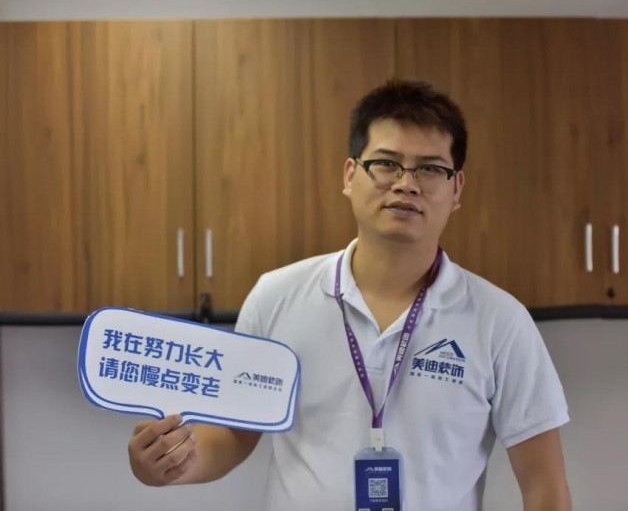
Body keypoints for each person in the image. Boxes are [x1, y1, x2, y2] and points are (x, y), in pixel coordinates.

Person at [128, 79, 571, 510]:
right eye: (386, 163)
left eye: (430, 169)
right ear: (350, 174)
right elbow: (233, 434)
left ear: (456, 189)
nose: (406, 184)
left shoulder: (500, 321)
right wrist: (175, 462)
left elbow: (544, 487)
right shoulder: (276, 296)